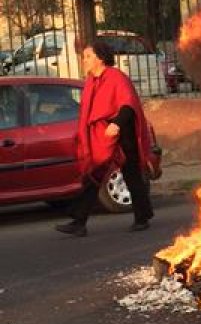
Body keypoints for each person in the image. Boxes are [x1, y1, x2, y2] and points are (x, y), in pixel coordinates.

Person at [55, 41, 154, 237]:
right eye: (84, 57)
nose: (84, 61)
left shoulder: (116, 77)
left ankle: (142, 217)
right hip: (102, 134)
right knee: (95, 173)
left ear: (100, 58)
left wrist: (116, 124)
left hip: (122, 131)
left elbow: (128, 104)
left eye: (88, 56)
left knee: (131, 173)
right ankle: (79, 221)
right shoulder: (91, 81)